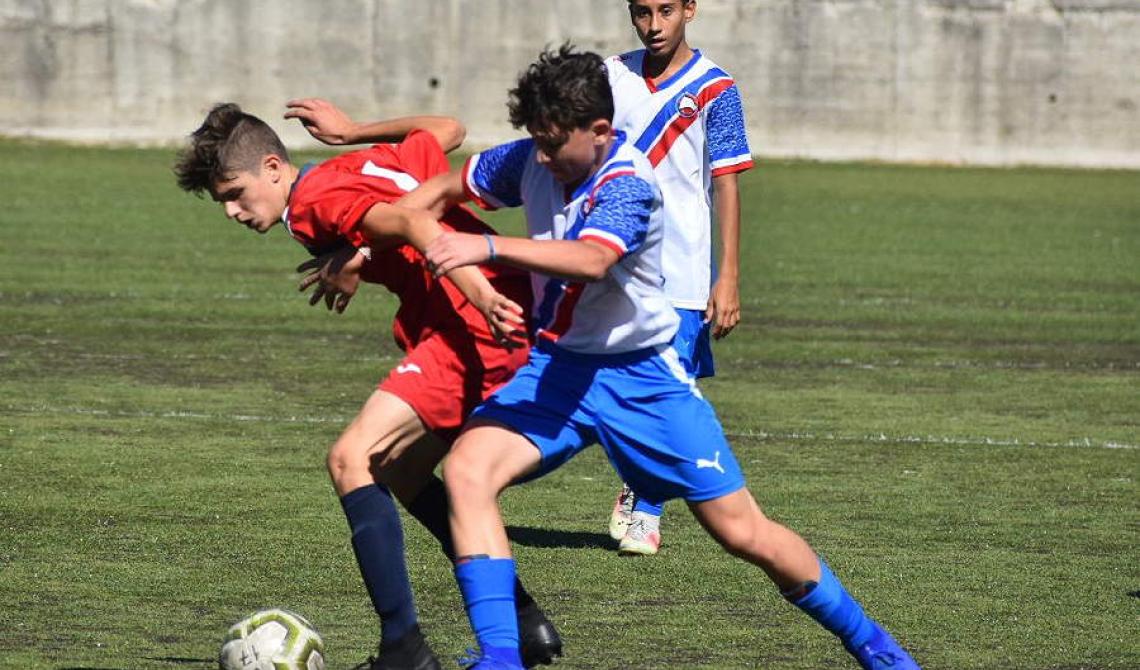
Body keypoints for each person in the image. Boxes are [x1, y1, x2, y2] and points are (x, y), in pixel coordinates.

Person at [410, 45, 921, 670]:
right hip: (558, 370)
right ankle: (500, 659)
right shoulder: (529, 156)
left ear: (600, 130)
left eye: (554, 143)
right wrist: (359, 248)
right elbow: (430, 195)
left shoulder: (628, 181)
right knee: (468, 471)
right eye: (536, 140)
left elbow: (592, 259)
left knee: (742, 532)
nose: (541, 156)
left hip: (643, 379)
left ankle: (876, 647)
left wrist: (488, 248)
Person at [172, 100, 562, 670]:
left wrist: (479, 295)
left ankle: (403, 649)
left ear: (274, 168)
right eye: (221, 202)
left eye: (235, 193)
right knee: (401, 469)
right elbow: (447, 129)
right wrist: (353, 133)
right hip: (511, 307)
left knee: (350, 459)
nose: (232, 211)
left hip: (474, 323)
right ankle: (526, 623)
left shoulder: (312, 203)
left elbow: (412, 223)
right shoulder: (366, 161)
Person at [603, 0, 754, 556]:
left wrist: (727, 275)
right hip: (613, 261)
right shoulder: (610, 76)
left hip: (684, 268)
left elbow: (726, 181)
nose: (654, 25)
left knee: (670, 388)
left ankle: (646, 510)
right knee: (613, 388)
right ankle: (638, 476)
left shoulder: (717, 88)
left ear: (690, 10)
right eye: (642, 13)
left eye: (666, 10)